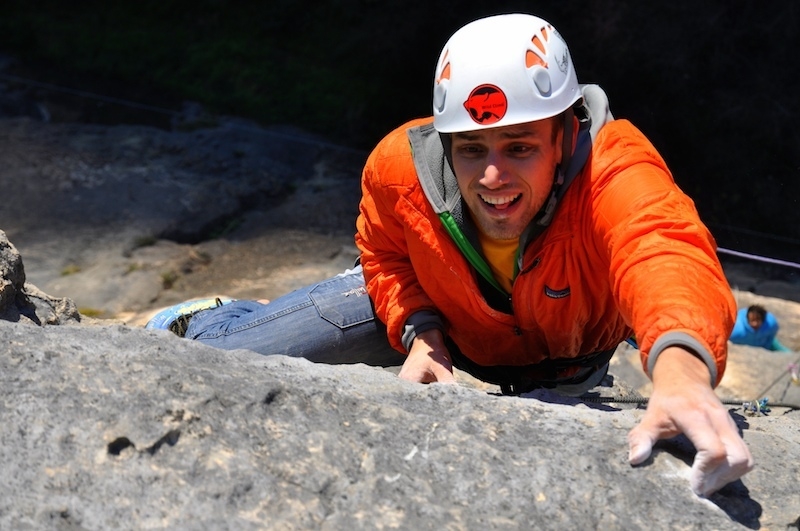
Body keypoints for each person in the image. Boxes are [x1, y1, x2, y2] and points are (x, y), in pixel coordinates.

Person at [147, 13, 753, 496]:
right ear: (446, 142)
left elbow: (662, 246)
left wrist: (680, 373)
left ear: (565, 131)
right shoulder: (400, 167)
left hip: (561, 357)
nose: (493, 175)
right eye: (470, 150)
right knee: (221, 357)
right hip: (431, 308)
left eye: (519, 147)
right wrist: (420, 333)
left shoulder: (612, 166)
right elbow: (383, 253)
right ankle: (212, 315)